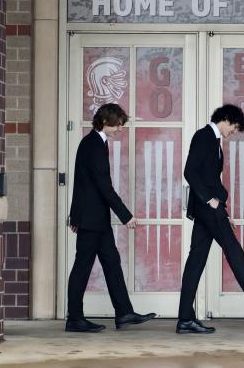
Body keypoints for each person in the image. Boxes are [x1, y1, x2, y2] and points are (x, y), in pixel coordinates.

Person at [177, 104, 244, 333]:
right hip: (208, 209)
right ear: (226, 119)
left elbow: (209, 176)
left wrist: (223, 209)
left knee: (196, 261)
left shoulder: (213, 140)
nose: (234, 132)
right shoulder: (204, 136)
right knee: (235, 253)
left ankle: (184, 319)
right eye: (234, 127)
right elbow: (190, 172)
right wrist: (210, 200)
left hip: (210, 210)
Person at [66, 103, 156, 332]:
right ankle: (74, 319)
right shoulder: (94, 145)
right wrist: (126, 216)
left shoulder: (96, 143)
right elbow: (103, 187)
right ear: (105, 122)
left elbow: (86, 185)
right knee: (82, 267)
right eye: (117, 125)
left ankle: (124, 313)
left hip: (96, 218)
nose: (120, 129)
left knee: (112, 264)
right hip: (91, 219)